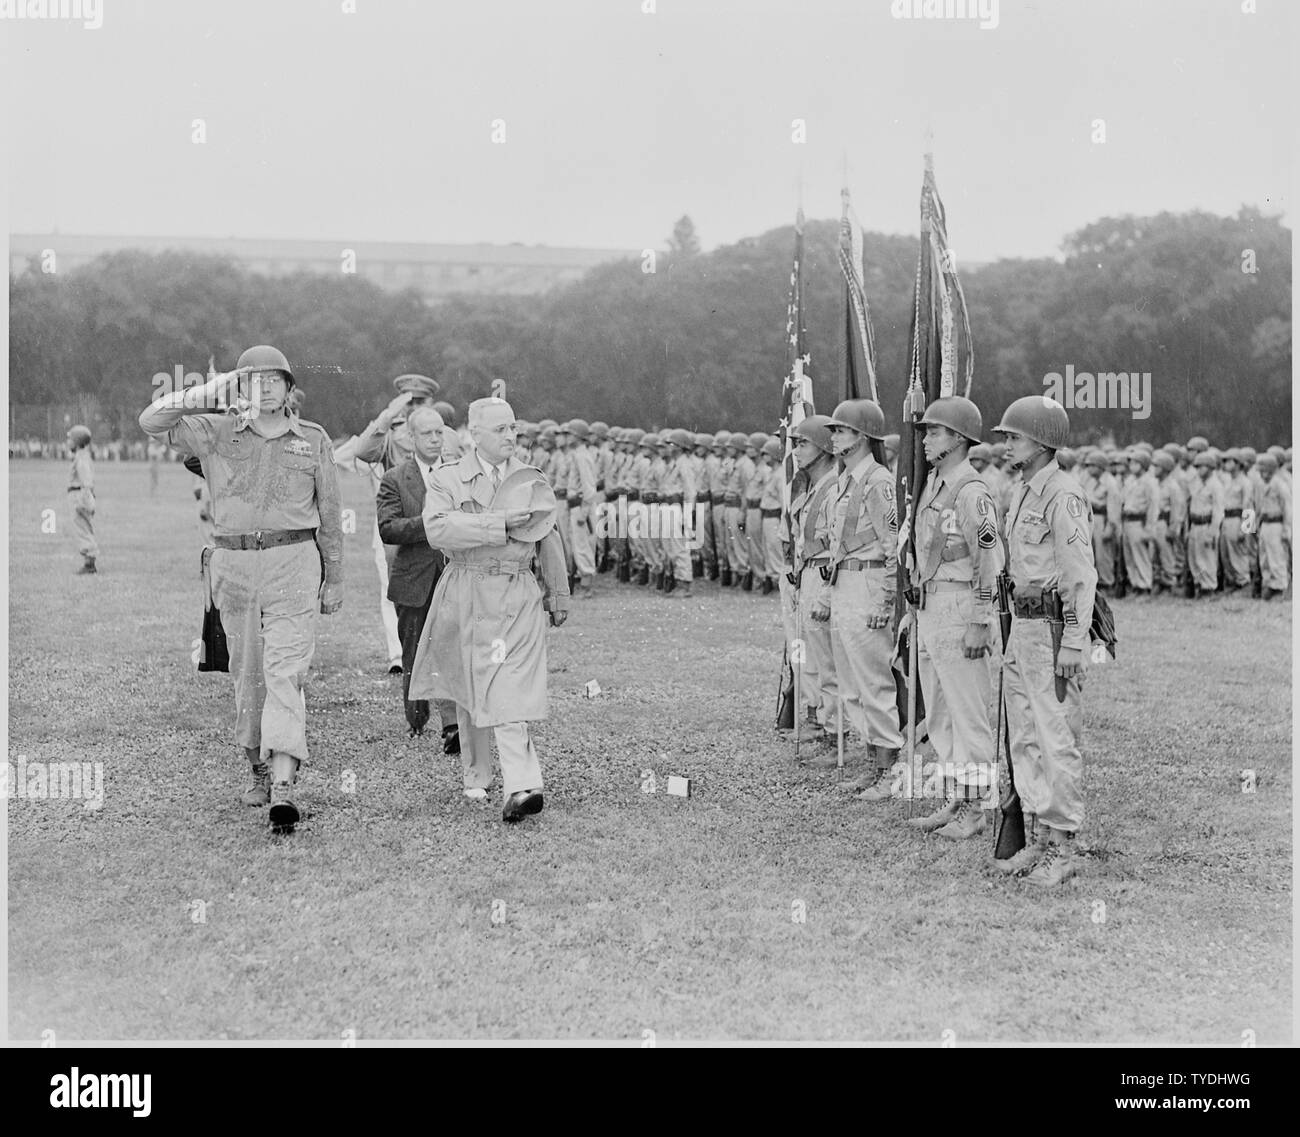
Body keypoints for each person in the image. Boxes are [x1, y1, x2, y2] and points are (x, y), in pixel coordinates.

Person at [139, 344, 343, 829]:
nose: (266, 386)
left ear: (290, 389)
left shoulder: (313, 440)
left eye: (275, 379)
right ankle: (256, 763)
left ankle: (284, 782)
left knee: (285, 671)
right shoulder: (215, 432)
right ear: (239, 385)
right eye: (255, 379)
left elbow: (331, 516)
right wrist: (211, 389)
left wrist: (334, 577)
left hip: (293, 562)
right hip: (234, 565)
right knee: (247, 675)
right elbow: (151, 421)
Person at [409, 396, 570, 822]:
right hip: (466, 589)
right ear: (474, 434)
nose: (510, 437)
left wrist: (559, 592)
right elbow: (438, 529)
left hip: (517, 592)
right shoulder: (448, 478)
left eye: (513, 428)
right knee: (469, 685)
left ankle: (522, 784)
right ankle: (477, 774)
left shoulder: (529, 478)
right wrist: (498, 524)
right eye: (500, 429)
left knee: (506, 686)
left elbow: (547, 535)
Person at [991, 396, 1097, 886]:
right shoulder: (1023, 491)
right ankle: (1038, 832)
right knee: (1026, 732)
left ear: (1041, 442)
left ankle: (1063, 844)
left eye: (1014, 436)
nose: (1007, 443)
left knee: (1056, 734)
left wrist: (1075, 642)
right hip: (1023, 627)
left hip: (1052, 630)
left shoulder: (1062, 494)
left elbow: (1079, 576)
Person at [902, 397, 1003, 837]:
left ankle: (977, 808)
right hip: (932, 608)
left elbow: (988, 561)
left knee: (967, 712)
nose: (925, 439)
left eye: (935, 432)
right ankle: (957, 798)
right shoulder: (936, 486)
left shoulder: (971, 491)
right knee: (941, 713)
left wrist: (981, 619)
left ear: (958, 439)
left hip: (962, 608)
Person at [807, 399, 903, 784]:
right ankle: (871, 762)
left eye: (841, 430)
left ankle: (887, 767)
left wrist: (886, 598)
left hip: (868, 581)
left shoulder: (878, 481)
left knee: (872, 679)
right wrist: (828, 595)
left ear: (862, 436)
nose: (834, 437)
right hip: (844, 582)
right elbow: (835, 543)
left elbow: (892, 543)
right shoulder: (844, 480)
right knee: (850, 683)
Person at [376, 405, 459, 750]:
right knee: (414, 651)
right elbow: (387, 528)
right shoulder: (396, 478)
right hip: (413, 580)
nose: (436, 439)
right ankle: (417, 717)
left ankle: (452, 725)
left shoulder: (458, 474)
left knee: (452, 651)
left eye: (440, 432)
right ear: (411, 438)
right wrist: (427, 524)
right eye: (428, 433)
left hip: (453, 577)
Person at [351, 373, 443, 673]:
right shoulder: (391, 434)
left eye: (420, 401)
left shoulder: (440, 434)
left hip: (439, 528)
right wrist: (388, 415)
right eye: (410, 402)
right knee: (394, 590)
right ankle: (399, 654)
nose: (415, 407)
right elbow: (362, 451)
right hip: (399, 524)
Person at [1185, 450, 1224, 598]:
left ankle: (1208, 589)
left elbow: (1218, 511)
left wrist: (1212, 532)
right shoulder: (1196, 484)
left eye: (1203, 466)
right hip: (1195, 524)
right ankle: (1199, 586)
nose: (1199, 469)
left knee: (1207, 559)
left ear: (1210, 467)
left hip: (1206, 525)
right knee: (1195, 558)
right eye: (1198, 466)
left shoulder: (1216, 485)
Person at [1254, 453, 1291, 600]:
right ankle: (1268, 584)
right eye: (1261, 471)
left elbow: (1288, 509)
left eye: (1265, 471)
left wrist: (1286, 530)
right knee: (1264, 557)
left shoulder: (1280, 485)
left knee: (1277, 556)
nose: (1262, 474)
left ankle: (1279, 586)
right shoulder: (1261, 485)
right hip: (1265, 524)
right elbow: (1257, 507)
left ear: (1271, 470)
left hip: (1277, 523)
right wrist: (1255, 526)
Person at [66, 424, 99, 575]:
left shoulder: (82, 458)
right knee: (84, 527)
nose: (68, 442)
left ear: (77, 441)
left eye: (70, 439)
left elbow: (86, 480)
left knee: (82, 528)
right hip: (81, 493)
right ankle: (89, 561)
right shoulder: (81, 456)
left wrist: (83, 499)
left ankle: (89, 563)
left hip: (80, 494)